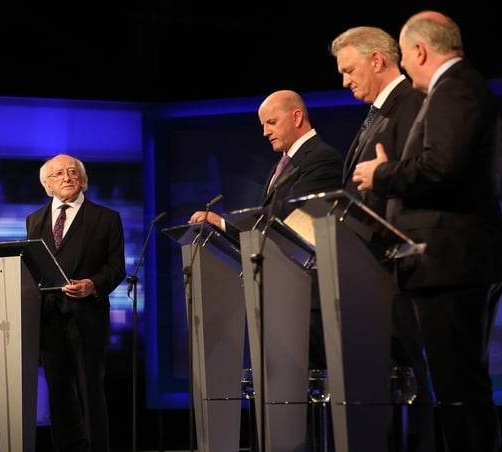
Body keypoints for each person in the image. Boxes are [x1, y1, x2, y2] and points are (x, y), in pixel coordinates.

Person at [353, 10, 502, 452]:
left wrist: (383, 175)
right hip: (449, 260)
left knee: (458, 386)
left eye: (405, 55)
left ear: (419, 50)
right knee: (456, 383)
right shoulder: (461, 87)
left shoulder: (455, 88)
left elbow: (439, 168)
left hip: (451, 261)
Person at [330, 26, 436, 452]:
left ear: (377, 60)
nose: (344, 81)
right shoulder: (377, 111)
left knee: (411, 374)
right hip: (368, 264)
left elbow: (413, 176)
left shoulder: (410, 104)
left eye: (349, 70)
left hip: (398, 265)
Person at [188, 89, 343, 370]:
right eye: (263, 125)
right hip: (281, 292)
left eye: (271, 122)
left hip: (307, 295)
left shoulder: (322, 158)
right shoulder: (279, 165)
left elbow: (291, 224)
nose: (265, 132)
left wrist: (222, 224)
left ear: (297, 117)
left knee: (312, 383)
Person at [25, 154, 125, 452]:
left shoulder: (106, 217)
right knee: (59, 396)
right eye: (58, 174)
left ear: (83, 180)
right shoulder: (35, 219)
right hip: (48, 319)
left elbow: (116, 266)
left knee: (90, 394)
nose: (66, 177)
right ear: (47, 185)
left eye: (72, 172)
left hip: (88, 319)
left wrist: (93, 284)